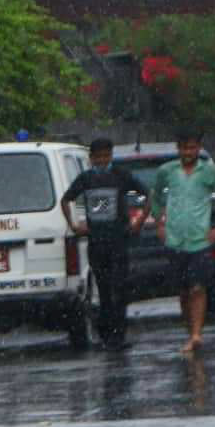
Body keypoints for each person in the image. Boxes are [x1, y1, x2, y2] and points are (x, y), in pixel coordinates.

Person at [148, 133, 215, 355]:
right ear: (178, 149)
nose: (188, 153)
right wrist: (159, 222)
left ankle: (197, 334)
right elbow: (156, 195)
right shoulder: (167, 171)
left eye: (192, 148)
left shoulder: (210, 171)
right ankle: (190, 331)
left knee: (198, 287)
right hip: (175, 239)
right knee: (183, 291)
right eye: (184, 148)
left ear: (198, 148)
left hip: (200, 239)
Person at [60, 137, 153, 349]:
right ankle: (106, 335)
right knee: (103, 290)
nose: (103, 160)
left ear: (111, 156)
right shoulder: (85, 179)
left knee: (119, 289)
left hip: (118, 242)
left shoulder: (121, 175)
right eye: (98, 157)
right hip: (96, 243)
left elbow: (148, 194)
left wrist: (138, 222)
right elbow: (66, 200)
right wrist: (74, 226)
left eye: (106, 156)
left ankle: (119, 336)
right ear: (91, 158)